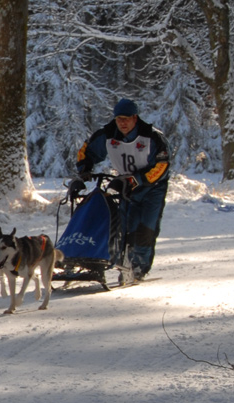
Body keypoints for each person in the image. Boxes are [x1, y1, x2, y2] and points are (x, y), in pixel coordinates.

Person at [69, 98, 170, 281]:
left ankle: (139, 267)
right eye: (118, 119)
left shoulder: (152, 137)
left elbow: (162, 166)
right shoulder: (108, 134)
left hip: (152, 188)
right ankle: (122, 263)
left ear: (135, 118)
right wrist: (84, 169)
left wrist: (136, 180)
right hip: (126, 185)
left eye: (126, 118)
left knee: (145, 227)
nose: (122, 123)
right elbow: (86, 151)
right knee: (123, 226)